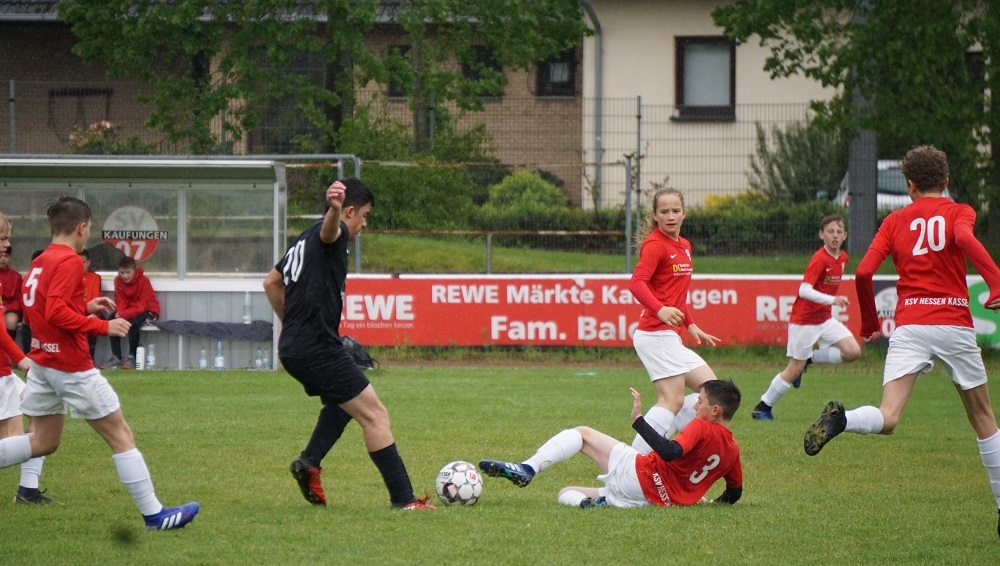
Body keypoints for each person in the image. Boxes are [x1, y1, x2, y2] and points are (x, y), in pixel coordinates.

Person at [803, 145, 1000, 539]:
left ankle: (843, 419)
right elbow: (963, 237)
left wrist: (870, 324)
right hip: (953, 323)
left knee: (889, 416)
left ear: (909, 185)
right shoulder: (959, 211)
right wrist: (995, 282)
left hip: (911, 326)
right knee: (983, 420)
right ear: (946, 182)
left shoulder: (894, 221)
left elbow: (864, 273)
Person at [0, 196, 199, 530]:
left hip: (44, 364)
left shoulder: (40, 261)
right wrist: (102, 326)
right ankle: (155, 515)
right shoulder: (69, 260)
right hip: (71, 367)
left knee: (44, 441)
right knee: (121, 433)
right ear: (82, 228)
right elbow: (55, 312)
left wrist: (85, 307)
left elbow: (41, 310)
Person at [263, 178, 433, 510]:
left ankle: (309, 462)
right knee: (375, 414)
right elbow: (332, 232)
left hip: (296, 348)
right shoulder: (333, 231)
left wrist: (293, 327)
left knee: (344, 403)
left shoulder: (304, 238)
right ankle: (405, 500)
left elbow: (271, 282)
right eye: (364, 215)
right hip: (317, 348)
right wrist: (335, 210)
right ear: (351, 211)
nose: (364, 223)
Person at [478, 379, 744, 508]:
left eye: (700, 401)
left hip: (642, 476)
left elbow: (669, 452)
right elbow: (734, 493)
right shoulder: (733, 451)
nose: (695, 406)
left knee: (582, 434)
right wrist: (709, 504)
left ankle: (528, 468)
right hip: (653, 502)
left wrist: (639, 420)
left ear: (715, 410)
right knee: (566, 492)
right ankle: (588, 504)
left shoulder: (702, 426)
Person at [628, 187, 720, 453]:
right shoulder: (655, 245)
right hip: (654, 334)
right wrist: (659, 310)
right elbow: (636, 283)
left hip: (669, 336)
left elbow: (676, 295)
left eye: (675, 211)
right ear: (655, 216)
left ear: (684, 214)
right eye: (664, 211)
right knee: (672, 400)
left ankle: (667, 448)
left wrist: (690, 324)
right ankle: (632, 461)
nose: (670, 216)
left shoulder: (685, 246)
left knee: (713, 393)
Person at [751, 214, 862, 420]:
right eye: (830, 231)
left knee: (853, 351)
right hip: (804, 321)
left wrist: (830, 303)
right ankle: (763, 407)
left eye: (839, 232)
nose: (835, 235)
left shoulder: (843, 258)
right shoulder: (820, 259)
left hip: (825, 319)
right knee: (794, 368)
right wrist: (832, 300)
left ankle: (810, 359)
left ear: (845, 235)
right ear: (821, 235)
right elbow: (804, 290)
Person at [0, 212, 55, 504]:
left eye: (8, 239)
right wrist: (22, 359)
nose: (7, 246)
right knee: (14, 443)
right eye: (2, 239)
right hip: (1, 374)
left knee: (43, 418)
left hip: (4, 373)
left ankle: (28, 490)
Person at [103, 255, 159, 370]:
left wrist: (123, 314)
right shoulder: (117, 280)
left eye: (128, 272)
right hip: (129, 310)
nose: (125, 276)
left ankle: (132, 357)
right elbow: (120, 301)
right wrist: (120, 313)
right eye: (122, 272)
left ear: (134, 270)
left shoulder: (143, 280)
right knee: (111, 319)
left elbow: (142, 306)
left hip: (149, 310)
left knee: (133, 322)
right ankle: (116, 357)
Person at [80, 249, 104, 364]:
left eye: (83, 262)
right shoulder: (68, 277)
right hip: (74, 313)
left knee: (93, 321)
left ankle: (89, 360)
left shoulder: (94, 277)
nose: (80, 265)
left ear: (88, 262)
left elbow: (95, 300)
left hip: (90, 313)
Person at [0, 243, 23, 344]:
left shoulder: (16, 277)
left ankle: (7, 347)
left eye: (6, 256)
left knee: (11, 321)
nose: (2, 259)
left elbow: (19, 299)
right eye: (0, 256)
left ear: (9, 258)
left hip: (9, 309)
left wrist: (7, 308)